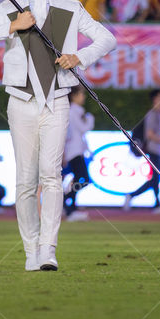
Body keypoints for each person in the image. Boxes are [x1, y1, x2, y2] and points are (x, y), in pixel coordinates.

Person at [0, 0, 116, 272]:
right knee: (25, 181)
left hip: (57, 101)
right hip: (20, 104)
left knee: (52, 176)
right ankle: (30, 250)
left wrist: (80, 57)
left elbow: (106, 39)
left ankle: (49, 248)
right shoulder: (9, 7)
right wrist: (12, 26)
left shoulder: (70, 7)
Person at [124, 89, 160, 211]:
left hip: (156, 149)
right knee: (155, 177)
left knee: (155, 178)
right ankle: (156, 204)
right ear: (155, 99)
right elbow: (149, 134)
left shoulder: (159, 113)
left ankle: (153, 202)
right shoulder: (153, 114)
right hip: (152, 149)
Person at [63, 86, 94, 221]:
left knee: (78, 179)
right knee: (84, 179)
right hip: (73, 151)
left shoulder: (71, 110)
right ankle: (65, 202)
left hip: (75, 150)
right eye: (81, 94)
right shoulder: (74, 111)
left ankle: (71, 208)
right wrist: (90, 118)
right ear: (74, 96)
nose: (84, 97)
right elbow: (84, 128)